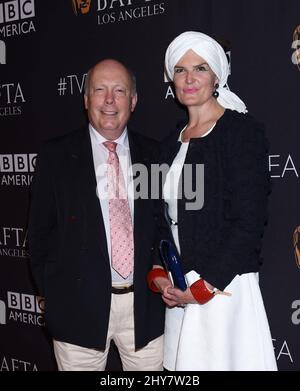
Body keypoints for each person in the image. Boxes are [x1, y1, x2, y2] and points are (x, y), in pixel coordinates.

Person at [147, 31, 278, 371]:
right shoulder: (170, 144)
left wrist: (206, 286)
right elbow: (164, 220)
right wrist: (161, 272)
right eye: (180, 70)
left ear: (217, 75)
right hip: (181, 295)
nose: (189, 79)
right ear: (171, 78)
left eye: (200, 68)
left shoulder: (241, 133)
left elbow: (249, 222)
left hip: (225, 292)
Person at [28, 59, 164, 371]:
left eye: (119, 91)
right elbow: (38, 236)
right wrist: (53, 296)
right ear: (86, 98)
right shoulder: (56, 156)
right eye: (99, 90)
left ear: (133, 100)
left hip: (144, 310)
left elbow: (162, 227)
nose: (109, 100)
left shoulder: (155, 154)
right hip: (77, 311)